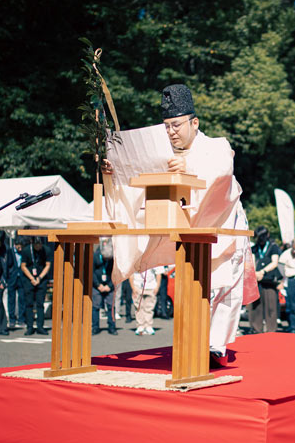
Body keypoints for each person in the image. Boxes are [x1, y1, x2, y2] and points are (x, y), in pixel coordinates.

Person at [103, 83, 249, 366]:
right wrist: (115, 171)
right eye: (167, 126)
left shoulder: (216, 145)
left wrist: (191, 169)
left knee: (221, 284)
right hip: (186, 231)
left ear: (194, 123)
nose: (171, 131)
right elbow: (138, 178)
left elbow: (222, 174)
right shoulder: (163, 152)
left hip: (222, 224)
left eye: (177, 125)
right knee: (192, 286)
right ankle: (194, 343)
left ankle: (215, 345)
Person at [249, 226, 281, 333]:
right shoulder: (255, 248)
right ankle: (256, 329)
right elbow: (252, 262)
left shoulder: (273, 247)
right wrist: (256, 273)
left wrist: (263, 272)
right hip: (257, 279)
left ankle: (271, 330)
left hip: (269, 280)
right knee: (256, 306)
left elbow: (274, 262)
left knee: (271, 306)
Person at [20, 237, 51, 336]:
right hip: (29, 279)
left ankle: (40, 326)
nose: (38, 246)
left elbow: (48, 265)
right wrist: (32, 278)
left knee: (40, 304)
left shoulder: (46, 250)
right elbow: (23, 266)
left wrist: (39, 278)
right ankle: (29, 326)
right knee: (29, 304)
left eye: (40, 244)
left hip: (41, 279)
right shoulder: (26, 251)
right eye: (36, 244)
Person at [92, 240, 117, 335]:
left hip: (109, 284)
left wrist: (109, 286)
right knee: (95, 306)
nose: (107, 260)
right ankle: (95, 327)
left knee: (111, 306)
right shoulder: (95, 256)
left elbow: (115, 273)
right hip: (97, 284)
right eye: (105, 258)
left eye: (108, 258)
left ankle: (112, 327)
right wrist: (98, 285)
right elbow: (91, 272)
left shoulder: (113, 258)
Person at [131, 266, 162, 336]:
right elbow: (131, 274)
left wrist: (157, 287)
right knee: (138, 307)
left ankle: (148, 326)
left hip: (151, 286)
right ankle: (140, 326)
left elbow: (159, 273)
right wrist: (133, 288)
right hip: (137, 286)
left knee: (149, 308)